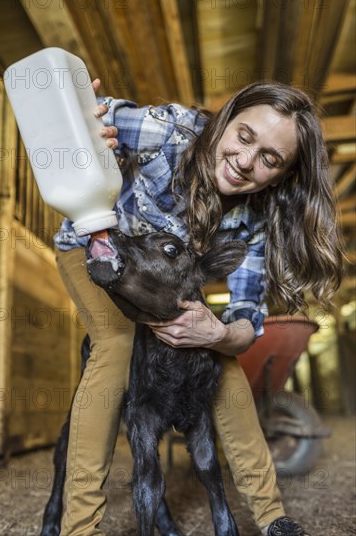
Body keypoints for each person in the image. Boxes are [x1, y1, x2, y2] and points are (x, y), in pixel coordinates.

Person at [54, 80, 343, 536]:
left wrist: (221, 337)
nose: (247, 161)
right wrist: (85, 122)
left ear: (284, 176)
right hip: (97, 251)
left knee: (220, 364)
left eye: (270, 159)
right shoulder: (167, 132)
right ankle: (78, 529)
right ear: (226, 119)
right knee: (117, 343)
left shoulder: (254, 219)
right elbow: (86, 116)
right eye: (245, 137)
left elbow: (246, 315)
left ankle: (272, 519)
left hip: (162, 280)